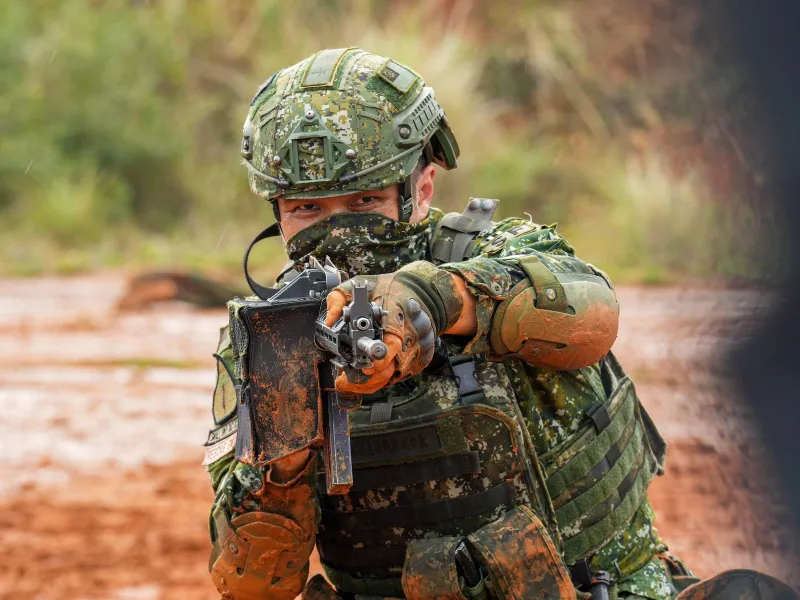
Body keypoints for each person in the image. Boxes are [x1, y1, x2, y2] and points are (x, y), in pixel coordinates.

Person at [201, 49, 788, 600]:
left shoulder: (495, 251)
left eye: (364, 202)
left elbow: (593, 313)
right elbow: (250, 585)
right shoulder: (271, 340)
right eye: (308, 209)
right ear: (276, 211)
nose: (340, 231)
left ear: (422, 188)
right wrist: (283, 455)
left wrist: (431, 302)